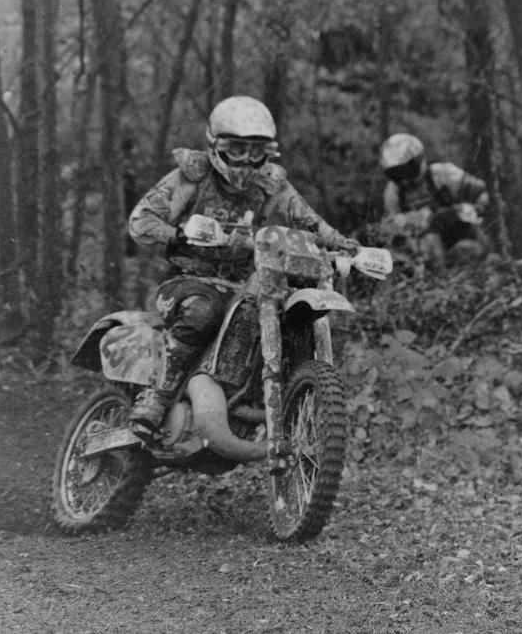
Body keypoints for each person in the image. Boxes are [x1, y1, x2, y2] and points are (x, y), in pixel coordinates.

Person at [126, 95, 355, 438]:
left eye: (255, 150)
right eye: (236, 149)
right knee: (204, 311)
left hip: (245, 281)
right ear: (215, 144)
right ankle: (156, 397)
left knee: (283, 315)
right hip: (186, 280)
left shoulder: (270, 183)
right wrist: (177, 234)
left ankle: (257, 401)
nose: (246, 160)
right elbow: (141, 220)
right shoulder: (192, 176)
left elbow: (308, 221)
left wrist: (344, 244)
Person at [379, 132, 490, 266]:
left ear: (419, 161)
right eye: (397, 174)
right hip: (421, 251)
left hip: (459, 237)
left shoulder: (443, 174)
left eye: (409, 170)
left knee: (466, 250)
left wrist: (472, 209)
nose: (405, 179)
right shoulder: (393, 192)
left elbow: (482, 192)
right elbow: (391, 227)